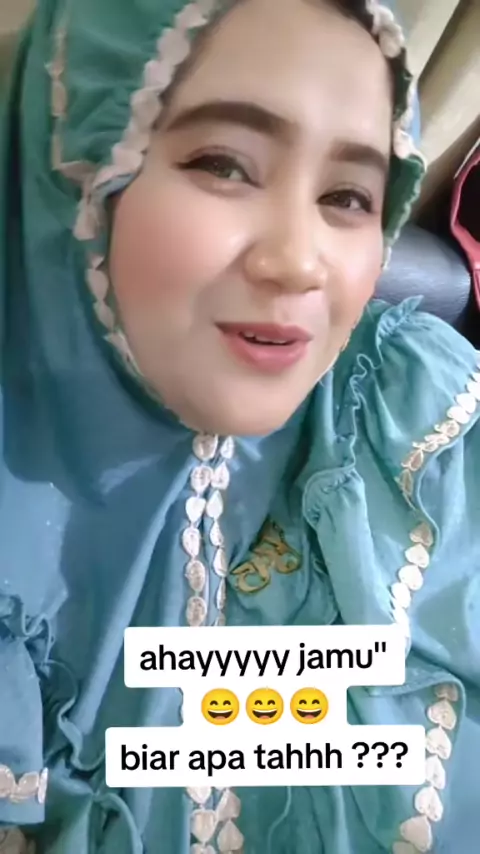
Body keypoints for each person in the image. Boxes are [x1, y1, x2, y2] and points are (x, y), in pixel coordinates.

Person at [0, 0, 479, 852]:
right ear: (73, 176)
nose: (297, 262)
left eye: (347, 196)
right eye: (224, 165)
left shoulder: (406, 410)